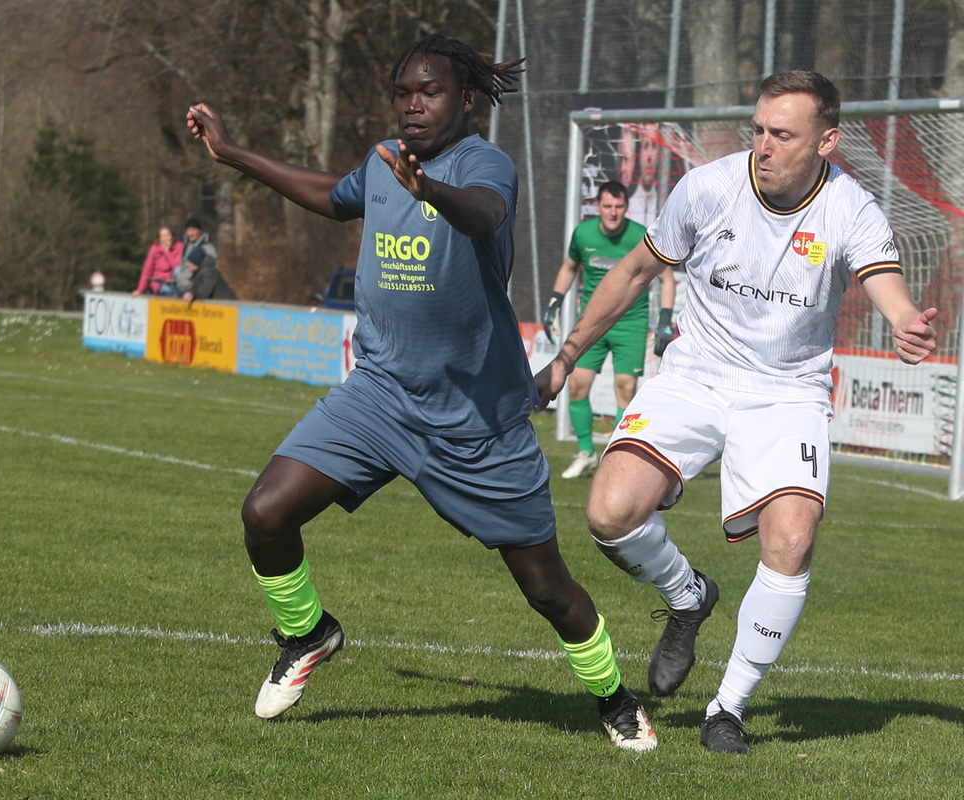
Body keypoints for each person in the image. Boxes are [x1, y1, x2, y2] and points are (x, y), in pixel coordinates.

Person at [187, 33, 657, 751]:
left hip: (476, 422)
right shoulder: (384, 160)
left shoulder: (484, 165)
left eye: (429, 92)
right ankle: (308, 633)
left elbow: (484, 213)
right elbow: (331, 196)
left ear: (465, 98)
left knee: (547, 587)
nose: (413, 105)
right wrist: (232, 153)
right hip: (378, 397)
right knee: (265, 514)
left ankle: (614, 698)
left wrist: (428, 190)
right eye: (403, 93)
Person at [535, 70, 939, 755]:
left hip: (788, 391)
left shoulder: (851, 208)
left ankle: (727, 708)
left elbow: (887, 285)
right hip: (697, 373)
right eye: (758, 130)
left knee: (792, 540)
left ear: (827, 142)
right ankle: (688, 595)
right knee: (608, 513)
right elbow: (632, 273)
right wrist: (566, 356)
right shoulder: (708, 187)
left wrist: (904, 323)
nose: (764, 146)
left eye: (783, 134)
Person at [542, 180, 676, 479]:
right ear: (597, 207)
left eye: (619, 206)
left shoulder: (641, 236)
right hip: (591, 322)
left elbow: (667, 278)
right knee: (577, 384)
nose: (613, 212)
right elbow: (569, 267)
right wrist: (554, 303)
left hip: (631, 323)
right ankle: (585, 452)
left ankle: (612, 457)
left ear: (626, 207)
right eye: (607, 206)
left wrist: (665, 320)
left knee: (625, 389)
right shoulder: (583, 233)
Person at [132, 224, 183, 296]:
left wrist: (167, 252)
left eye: (167, 235)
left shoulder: (179, 246)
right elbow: (147, 270)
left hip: (174, 281)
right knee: (168, 291)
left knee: (179, 271)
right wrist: (140, 289)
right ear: (159, 238)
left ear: (172, 236)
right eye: (163, 236)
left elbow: (177, 267)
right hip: (158, 282)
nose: (166, 238)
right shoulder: (154, 248)